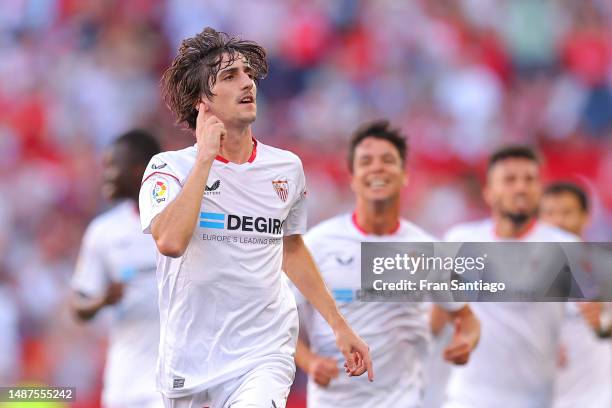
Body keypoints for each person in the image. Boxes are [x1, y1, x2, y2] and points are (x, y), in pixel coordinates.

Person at [139, 27, 372, 408]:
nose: (247, 83)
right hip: (190, 361)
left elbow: (292, 249)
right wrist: (204, 160)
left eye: (248, 73)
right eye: (230, 77)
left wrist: (339, 325)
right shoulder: (168, 168)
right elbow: (170, 241)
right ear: (202, 101)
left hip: (263, 352)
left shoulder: (286, 168)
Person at [293, 120, 480, 407]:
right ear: (353, 178)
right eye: (366, 161)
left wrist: (465, 342)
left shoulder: (428, 249)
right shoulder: (317, 245)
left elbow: (466, 318)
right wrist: (310, 362)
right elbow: (278, 320)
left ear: (405, 175)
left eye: (388, 160)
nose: (377, 168)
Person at [442, 146, 578, 408]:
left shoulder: (567, 248)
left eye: (530, 180)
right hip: (468, 398)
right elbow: (435, 315)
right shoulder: (459, 241)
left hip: (537, 400)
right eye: (510, 180)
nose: (521, 188)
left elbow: (597, 322)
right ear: (488, 193)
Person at [71, 129, 162, 408]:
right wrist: (102, 300)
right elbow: (78, 305)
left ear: (140, 169)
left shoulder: (180, 224)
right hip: (123, 382)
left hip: (172, 383)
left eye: (113, 166)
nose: (106, 175)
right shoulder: (104, 232)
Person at [541, 182, 612, 408]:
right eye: (549, 213)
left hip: (597, 398)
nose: (558, 221)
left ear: (586, 217)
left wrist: (605, 321)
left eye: (567, 213)